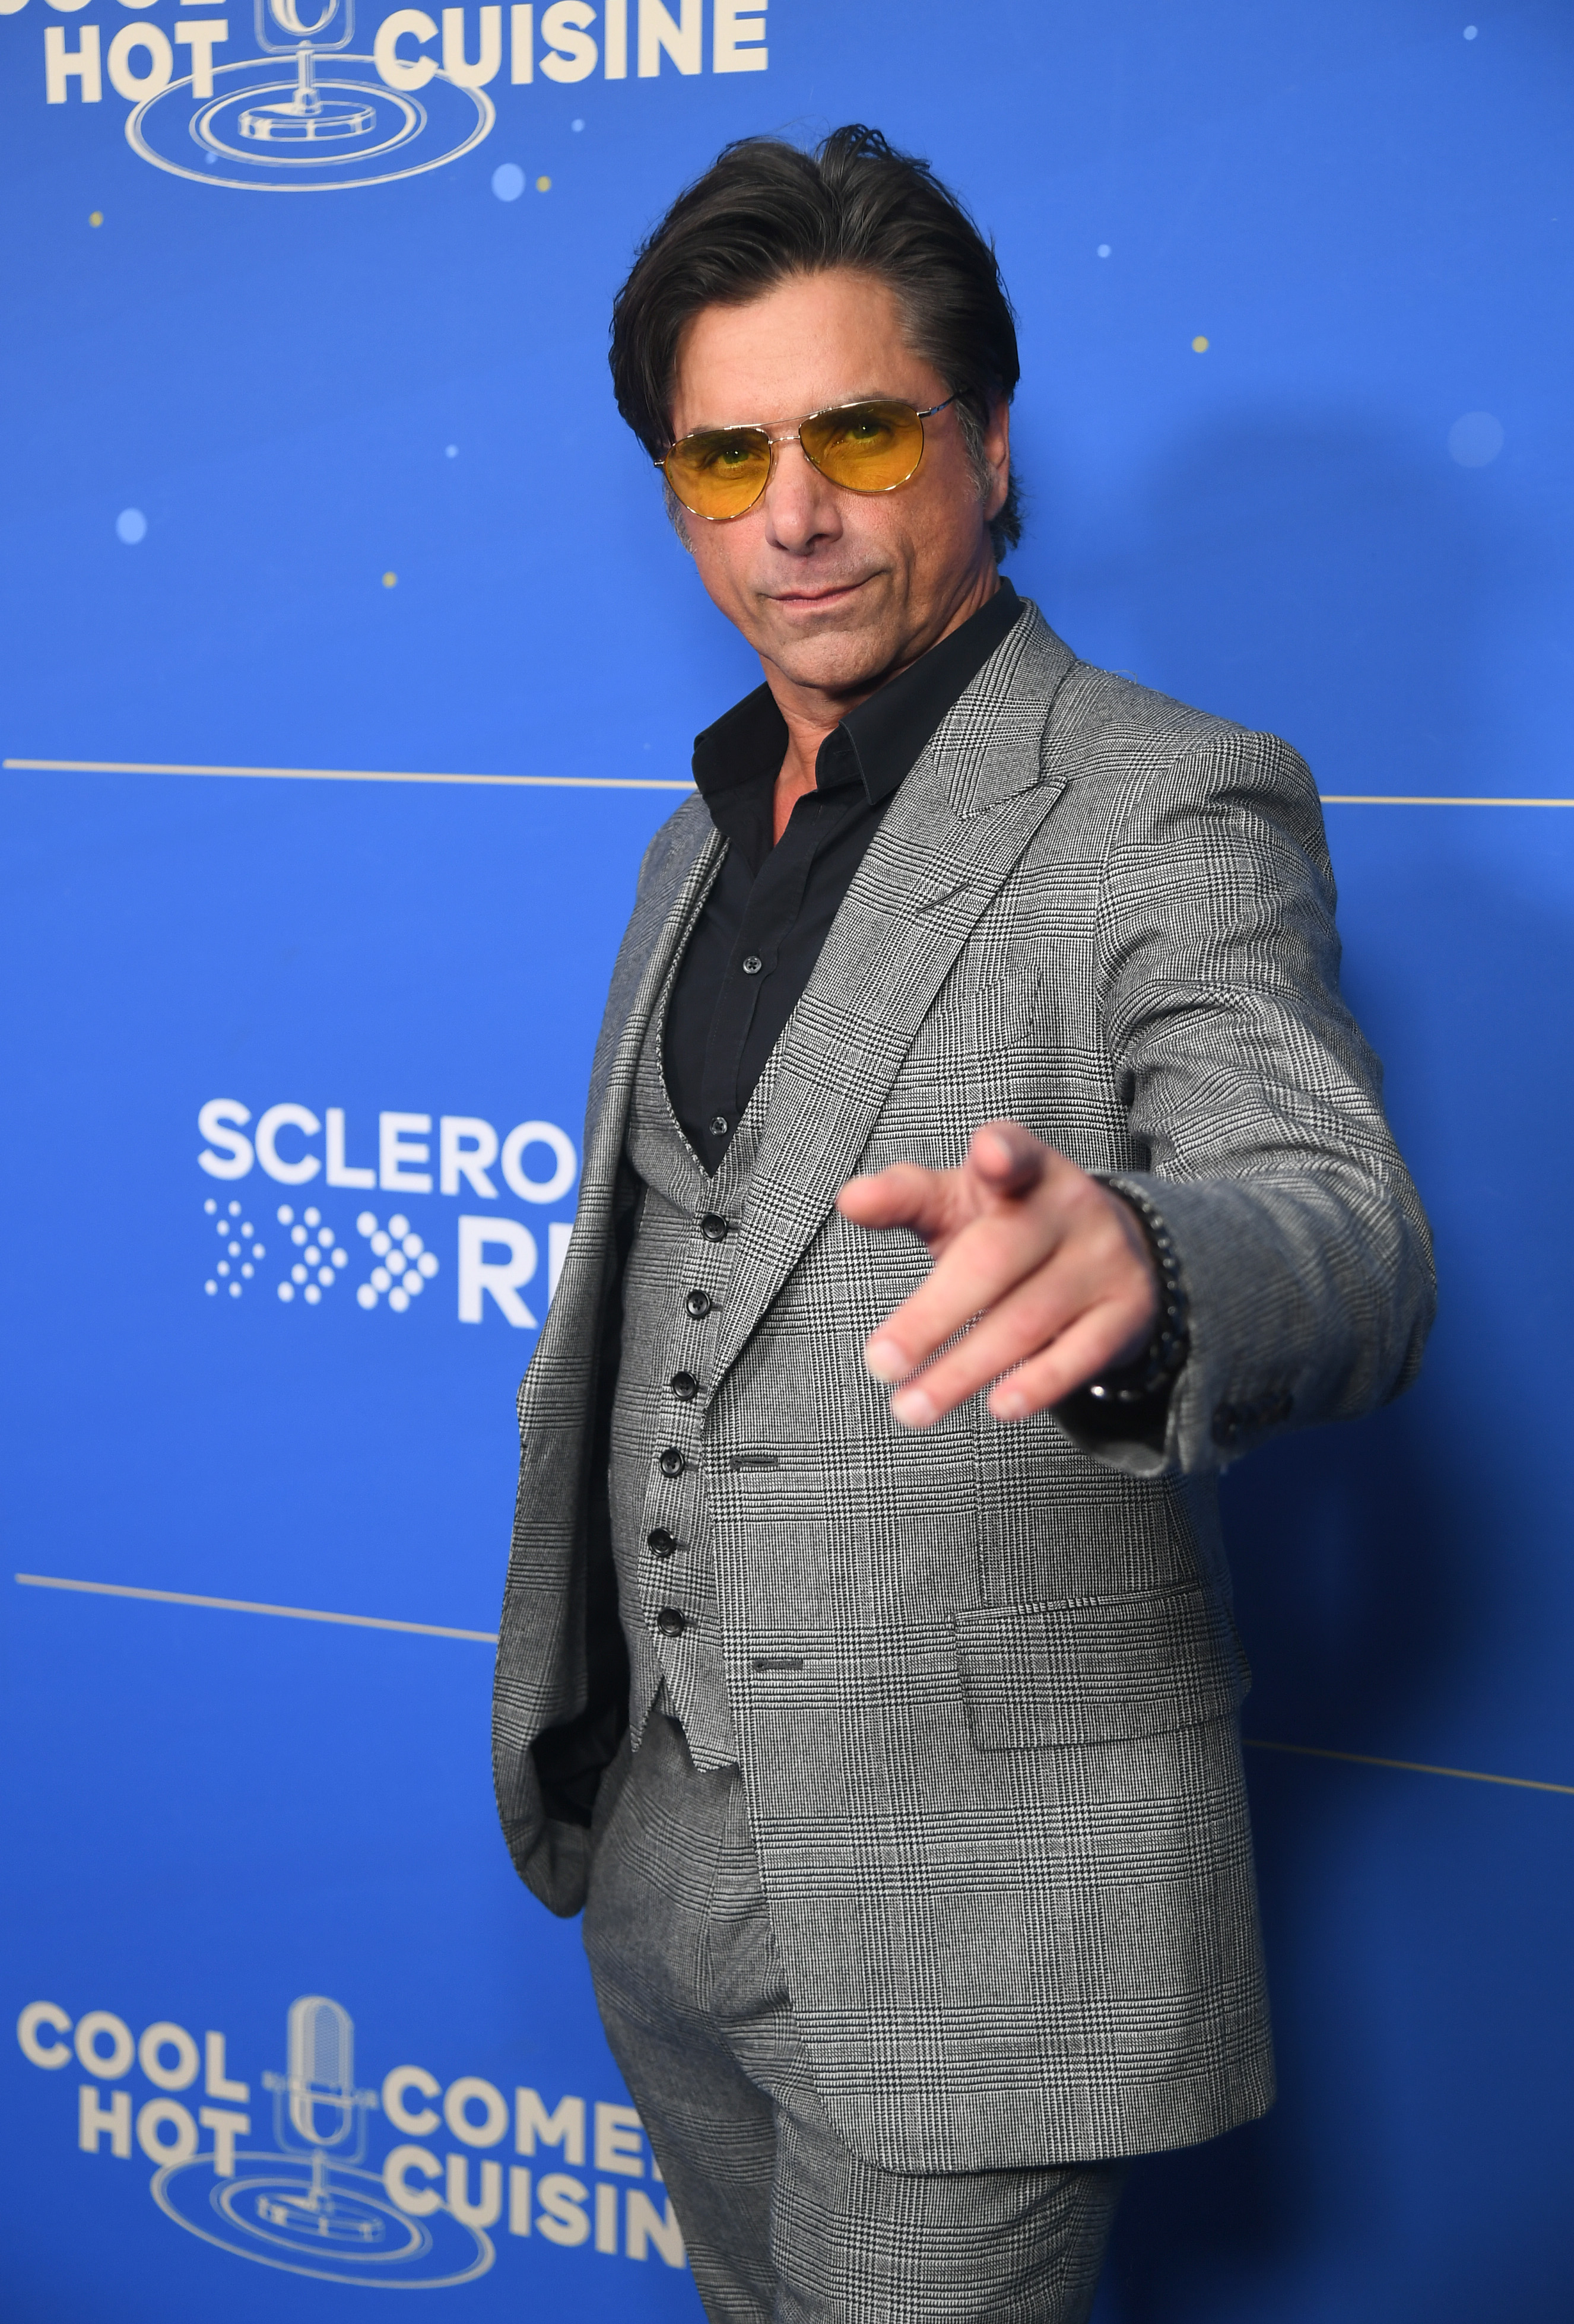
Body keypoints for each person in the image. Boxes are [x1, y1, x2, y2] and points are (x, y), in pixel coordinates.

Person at [491, 125, 1434, 2323]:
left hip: (975, 1902)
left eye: (852, 432)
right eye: (724, 459)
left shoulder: (1167, 794)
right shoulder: (693, 836)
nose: (791, 514)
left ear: (986, 446)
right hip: (661, 1853)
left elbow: (1343, 1224)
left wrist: (1153, 1267)